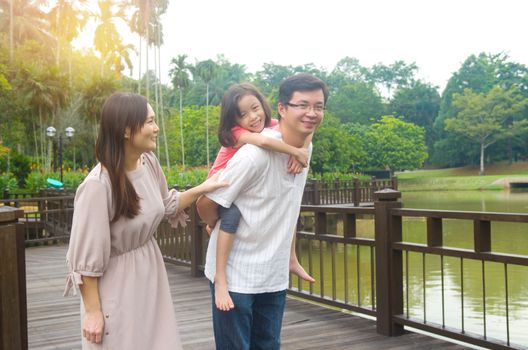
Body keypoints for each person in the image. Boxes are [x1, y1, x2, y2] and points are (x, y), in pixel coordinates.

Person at [63, 92, 227, 349]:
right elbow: (85, 261)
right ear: (127, 130)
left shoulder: (148, 163)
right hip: (117, 284)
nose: (156, 128)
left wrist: (203, 188)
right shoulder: (97, 186)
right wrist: (93, 312)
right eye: (150, 121)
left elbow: (164, 205)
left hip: (149, 274)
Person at [199, 73, 328, 349]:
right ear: (282, 108)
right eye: (302, 105)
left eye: (319, 106)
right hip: (235, 275)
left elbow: (289, 205)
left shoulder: (306, 147)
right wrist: (213, 223)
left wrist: (290, 257)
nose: (311, 113)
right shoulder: (252, 154)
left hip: (273, 273)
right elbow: (205, 202)